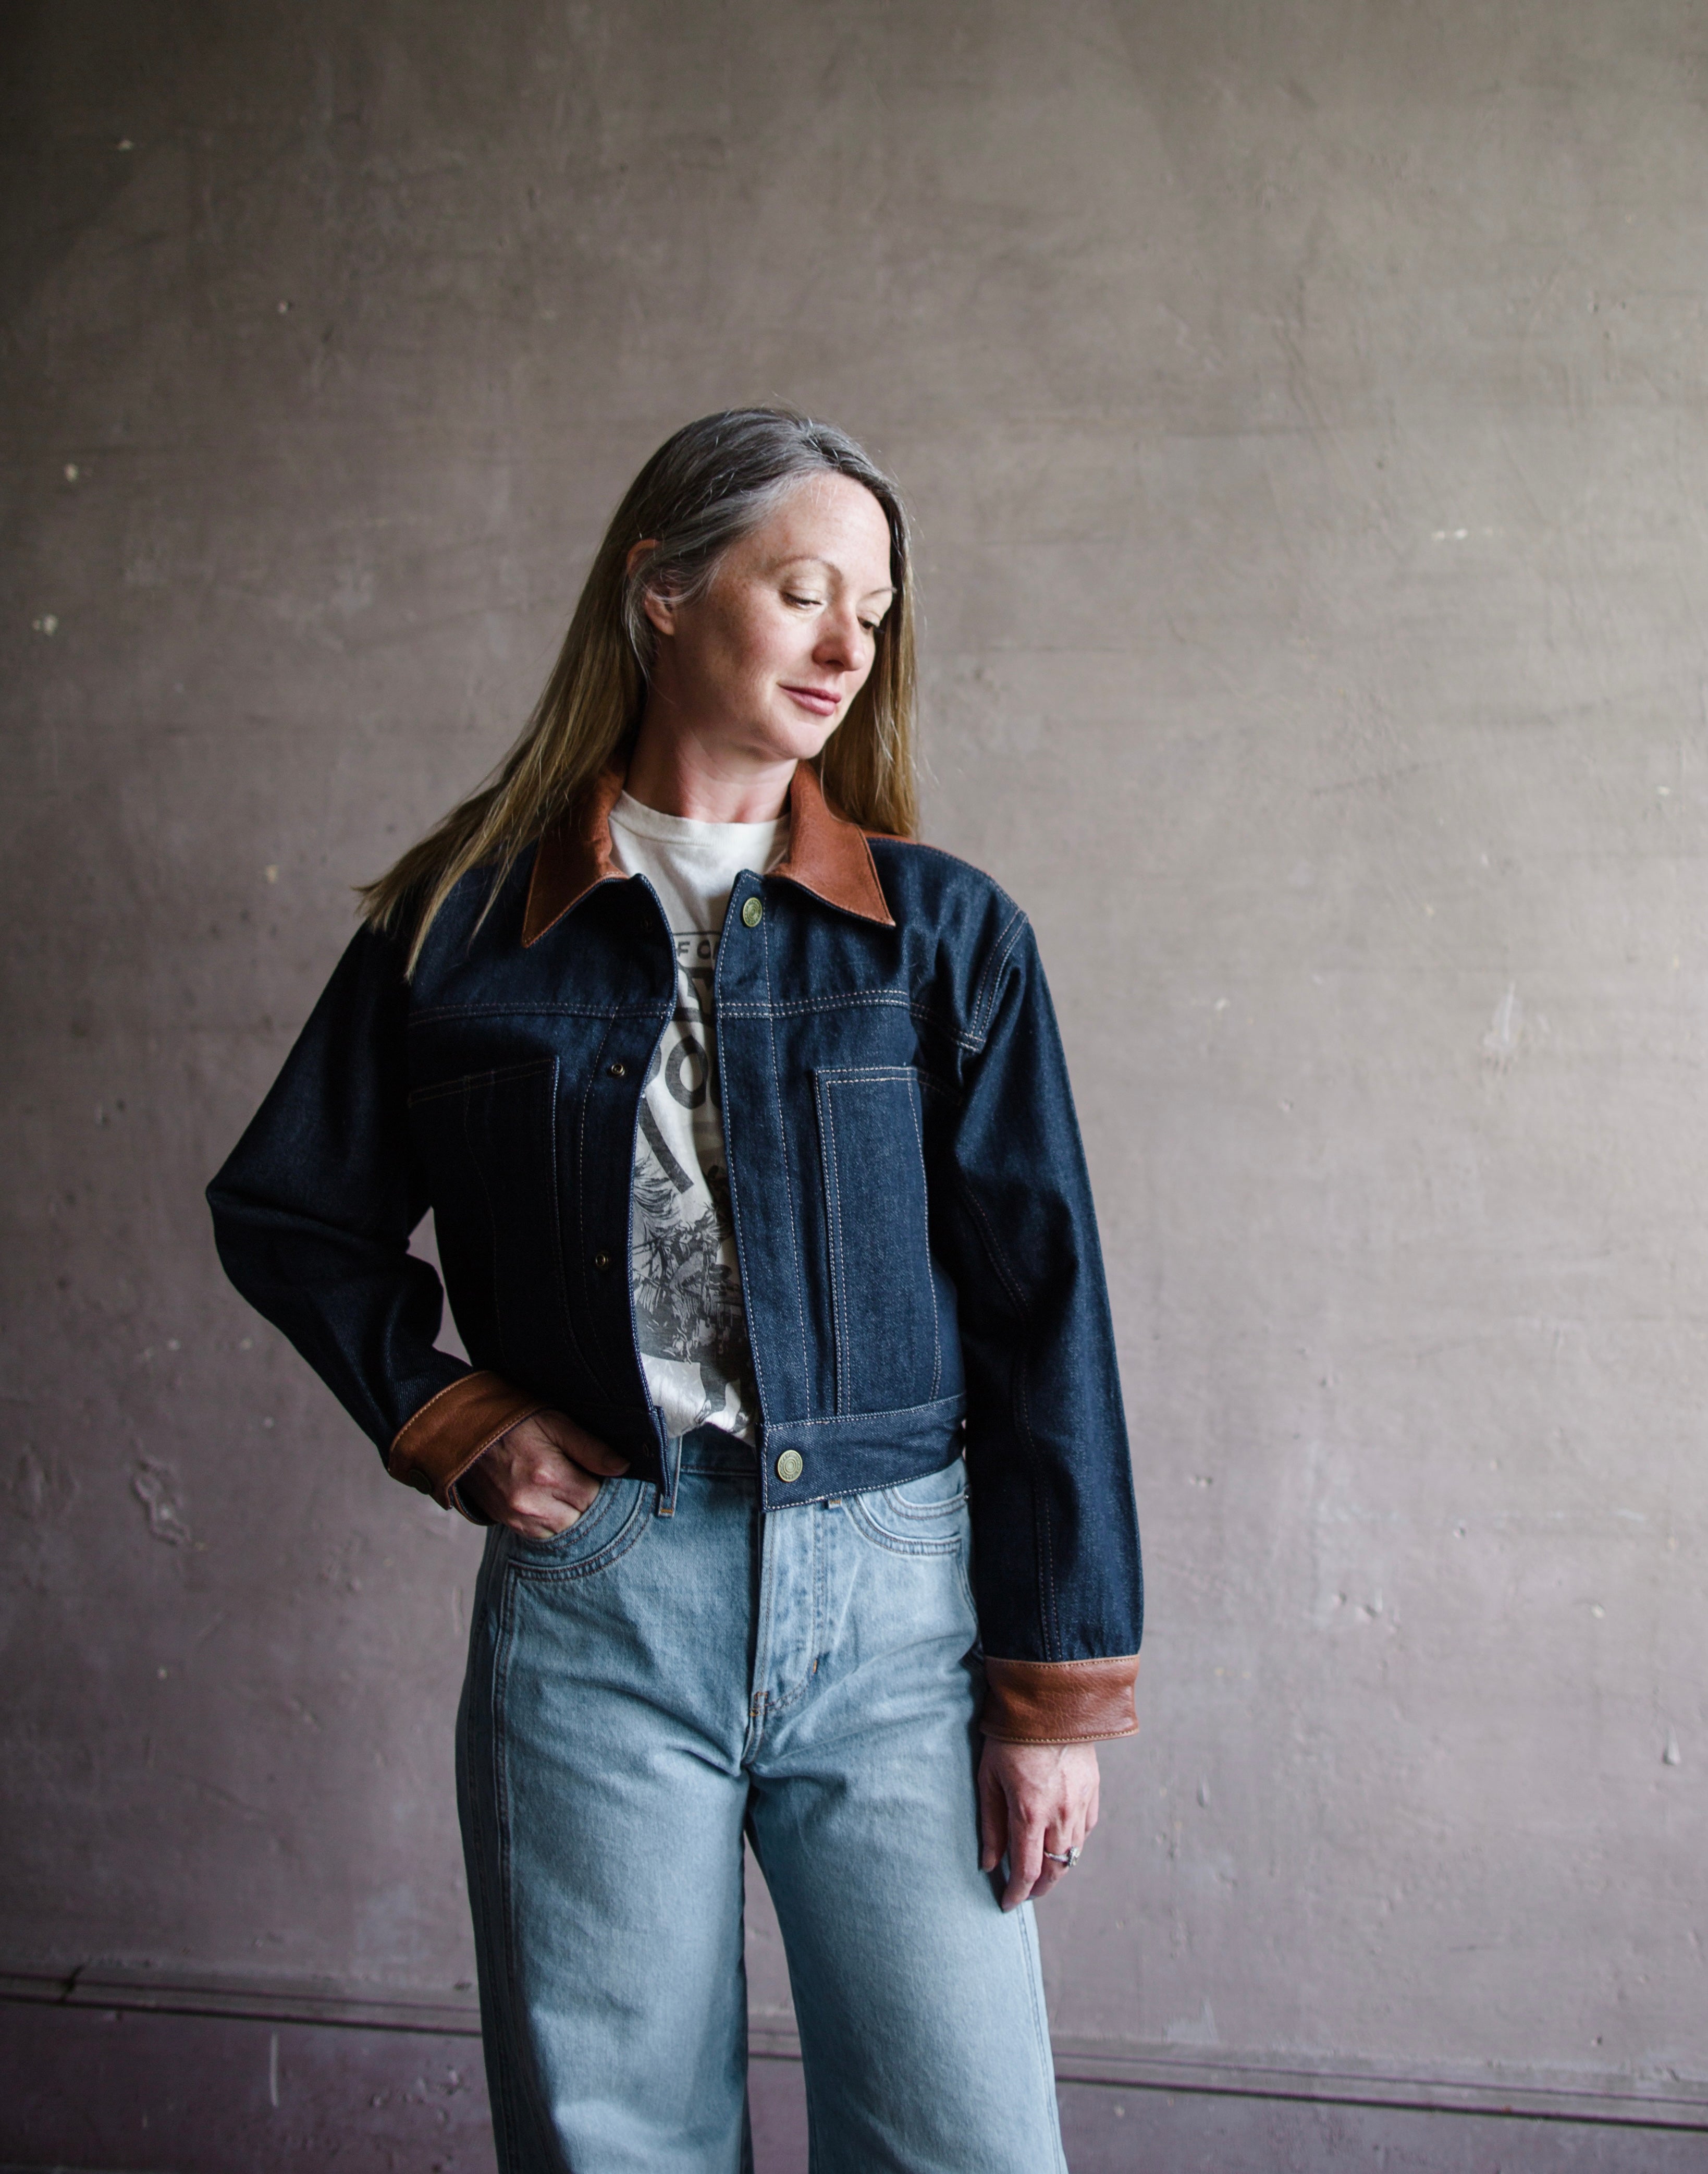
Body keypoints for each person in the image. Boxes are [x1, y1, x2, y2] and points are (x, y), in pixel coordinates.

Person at [208, 408, 1143, 2173]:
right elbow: (289, 1211)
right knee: (614, 2144)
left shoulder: (942, 940)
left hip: (897, 1615)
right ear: (661, 591)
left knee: (968, 2145)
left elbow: (1048, 1320)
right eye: (805, 592)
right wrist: (450, 1412)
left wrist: (1054, 1694)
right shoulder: (462, 929)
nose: (851, 648)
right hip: (603, 1606)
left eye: (874, 610)